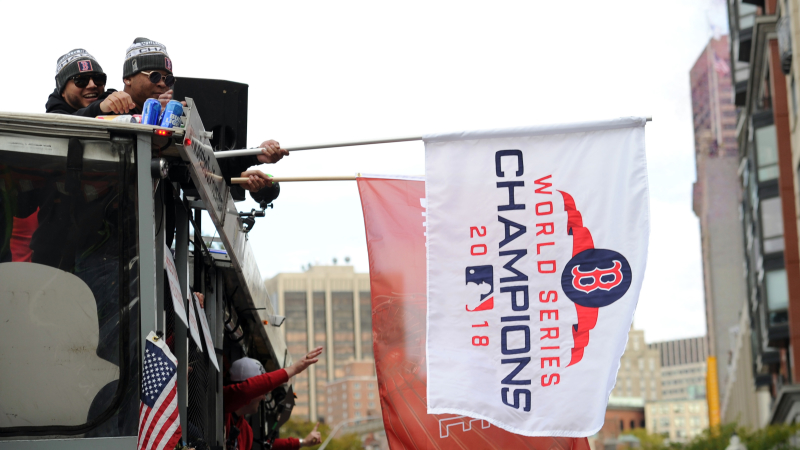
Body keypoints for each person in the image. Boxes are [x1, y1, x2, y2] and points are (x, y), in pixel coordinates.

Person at [121, 37, 288, 200]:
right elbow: (97, 114)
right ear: (128, 78)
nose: (163, 84)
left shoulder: (168, 118)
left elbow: (205, 162)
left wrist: (257, 155)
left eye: (168, 79)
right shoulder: (108, 108)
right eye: (155, 76)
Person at [225, 349, 324, 450]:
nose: (264, 397)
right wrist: (293, 369)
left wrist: (303, 442)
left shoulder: (246, 431)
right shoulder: (222, 406)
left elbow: (266, 444)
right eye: (261, 391)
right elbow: (245, 390)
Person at [46, 48, 135, 116]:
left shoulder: (113, 105)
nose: (92, 85)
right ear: (62, 91)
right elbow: (63, 123)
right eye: (81, 80)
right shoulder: (49, 122)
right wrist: (100, 108)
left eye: (98, 78)